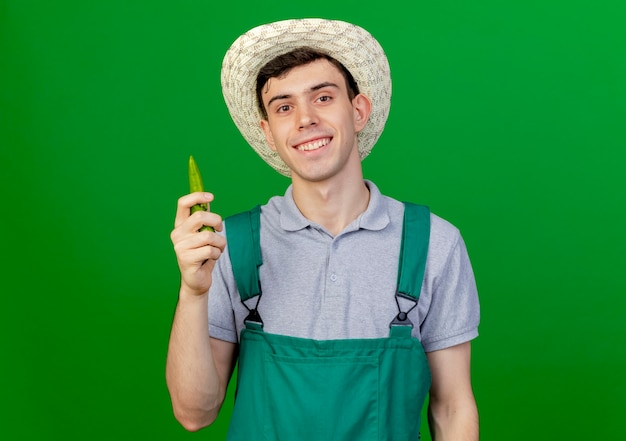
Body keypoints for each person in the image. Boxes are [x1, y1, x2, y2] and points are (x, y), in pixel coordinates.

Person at [166, 18, 480, 440]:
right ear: (269, 132)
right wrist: (193, 292)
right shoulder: (231, 243)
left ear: (358, 111)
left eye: (323, 97)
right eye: (283, 107)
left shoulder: (433, 242)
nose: (304, 119)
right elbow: (194, 413)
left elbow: (452, 407)